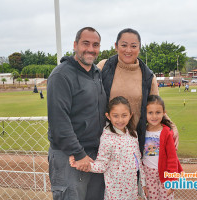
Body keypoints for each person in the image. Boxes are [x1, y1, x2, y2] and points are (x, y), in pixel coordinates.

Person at [47, 27, 107, 200]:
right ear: (75, 45)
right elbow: (59, 123)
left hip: (94, 154)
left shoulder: (96, 73)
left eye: (95, 45)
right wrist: (79, 154)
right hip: (70, 157)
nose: (90, 49)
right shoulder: (61, 75)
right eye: (85, 43)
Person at [97, 28, 179, 154]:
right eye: (124, 45)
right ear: (116, 46)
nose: (128, 50)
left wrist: (171, 125)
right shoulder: (104, 66)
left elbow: (155, 107)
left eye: (133, 46)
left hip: (133, 141)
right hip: (106, 140)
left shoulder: (148, 76)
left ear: (139, 48)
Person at [70, 96, 148, 200]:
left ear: (130, 115)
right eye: (115, 116)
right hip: (115, 193)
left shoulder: (133, 134)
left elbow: (138, 159)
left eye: (124, 115)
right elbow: (102, 165)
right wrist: (86, 165)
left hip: (132, 191)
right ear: (108, 116)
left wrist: (143, 184)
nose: (120, 120)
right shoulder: (107, 138)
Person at [142, 95, 183, 200]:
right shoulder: (141, 132)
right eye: (150, 113)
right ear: (144, 113)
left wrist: (173, 180)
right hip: (148, 175)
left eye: (158, 112)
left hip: (165, 175)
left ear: (164, 113)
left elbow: (172, 158)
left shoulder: (167, 132)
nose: (154, 116)